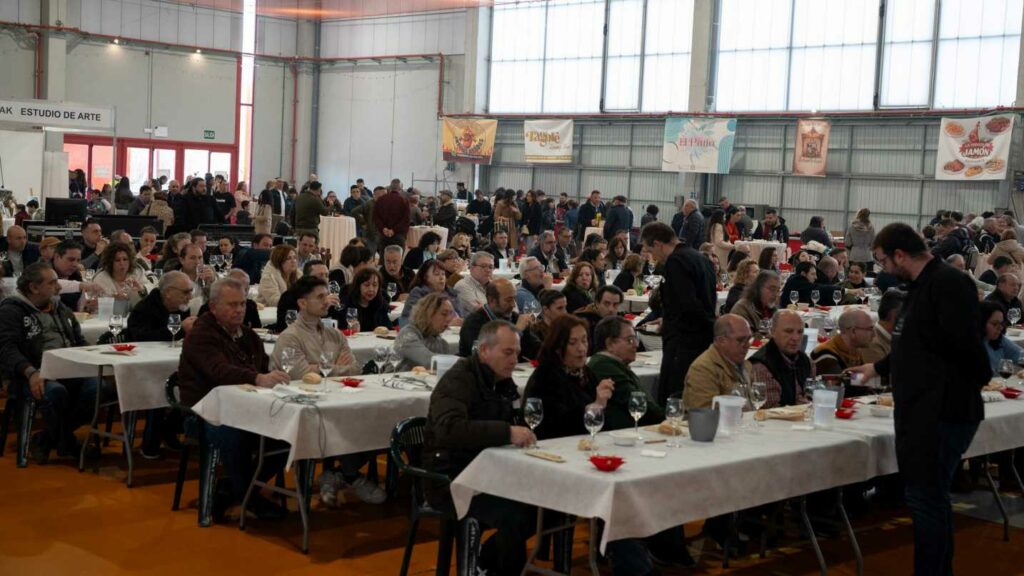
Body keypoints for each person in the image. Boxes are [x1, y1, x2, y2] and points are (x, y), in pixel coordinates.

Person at [846, 223, 989, 576]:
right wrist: (877, 367)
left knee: (926, 500)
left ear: (899, 254)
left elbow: (967, 351)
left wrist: (941, 391)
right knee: (927, 500)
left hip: (941, 411)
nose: (881, 269)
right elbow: (916, 344)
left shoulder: (948, 285)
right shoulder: (920, 287)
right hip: (923, 411)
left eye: (882, 260)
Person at [423, 320, 537, 574]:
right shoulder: (459, 378)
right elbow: (449, 429)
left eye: (517, 353)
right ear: (484, 351)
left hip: (490, 469)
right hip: (450, 475)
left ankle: (486, 561)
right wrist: (506, 432)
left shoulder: (502, 381)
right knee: (514, 514)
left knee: (544, 503)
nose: (514, 360)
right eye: (508, 353)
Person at [178, 277, 291, 519]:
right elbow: (218, 371)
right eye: (231, 305)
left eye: (242, 304)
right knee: (233, 433)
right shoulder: (201, 336)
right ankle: (247, 498)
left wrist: (269, 377)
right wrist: (258, 378)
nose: (239, 309)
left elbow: (263, 366)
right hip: (203, 413)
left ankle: (233, 489)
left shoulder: (249, 336)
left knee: (287, 434)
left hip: (248, 408)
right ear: (213, 306)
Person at [0, 263, 108, 463]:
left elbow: (79, 340)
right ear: (34, 288)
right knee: (55, 392)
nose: (58, 287)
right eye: (52, 282)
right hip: (31, 374)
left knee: (100, 388)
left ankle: (46, 438)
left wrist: (91, 357)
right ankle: (68, 442)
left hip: (68, 369)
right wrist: (31, 372)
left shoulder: (59, 307)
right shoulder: (11, 310)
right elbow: (6, 349)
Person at [640, 222, 717, 405]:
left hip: (683, 344)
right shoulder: (701, 258)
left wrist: (670, 322)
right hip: (703, 339)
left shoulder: (676, 261)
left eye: (650, 250)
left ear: (658, 244)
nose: (653, 257)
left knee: (674, 400)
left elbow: (687, 304)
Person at [127, 271, 196, 459]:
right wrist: (180, 330)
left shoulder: (181, 307)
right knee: (161, 386)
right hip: (142, 368)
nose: (190, 296)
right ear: (168, 293)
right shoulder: (145, 309)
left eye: (191, 291)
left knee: (196, 384)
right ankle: (152, 439)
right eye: (186, 291)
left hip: (171, 362)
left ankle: (169, 429)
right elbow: (141, 339)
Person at [588, 316, 664, 430]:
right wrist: (670, 417)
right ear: (610, 344)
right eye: (630, 340)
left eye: (635, 339)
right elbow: (638, 405)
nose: (636, 345)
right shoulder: (604, 366)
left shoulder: (611, 363)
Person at [682, 314, 753, 410]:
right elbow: (705, 415)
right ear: (721, 341)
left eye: (749, 339)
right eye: (740, 340)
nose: (747, 345)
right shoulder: (703, 369)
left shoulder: (746, 365)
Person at [458, 279, 540, 359]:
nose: (513, 305)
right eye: (508, 300)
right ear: (491, 300)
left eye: (515, 299)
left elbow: (537, 350)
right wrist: (517, 331)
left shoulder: (515, 318)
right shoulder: (474, 322)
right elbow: (486, 356)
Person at [749, 309, 813, 408]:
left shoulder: (807, 361)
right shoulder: (762, 366)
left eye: (800, 332)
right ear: (773, 332)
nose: (796, 337)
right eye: (788, 331)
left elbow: (809, 397)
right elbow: (771, 411)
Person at [394, 293, 455, 371]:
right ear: (428, 314)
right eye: (444, 314)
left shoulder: (441, 343)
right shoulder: (407, 335)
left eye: (451, 314)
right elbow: (427, 359)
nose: (449, 319)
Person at [810, 308, 874, 375]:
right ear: (853, 331)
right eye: (869, 329)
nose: (874, 334)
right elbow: (842, 384)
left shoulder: (855, 351)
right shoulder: (826, 354)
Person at [400, 260, 465, 326]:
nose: (441, 278)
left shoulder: (452, 294)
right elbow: (410, 319)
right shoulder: (418, 293)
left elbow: (461, 316)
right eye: (436, 274)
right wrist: (446, 323)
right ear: (426, 277)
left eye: (443, 274)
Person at [92, 241, 148, 313]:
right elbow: (95, 308)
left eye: (125, 259)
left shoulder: (138, 273)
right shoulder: (100, 278)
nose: (122, 263)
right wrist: (113, 300)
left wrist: (140, 291)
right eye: (117, 260)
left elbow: (148, 301)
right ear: (110, 262)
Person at [340, 268, 394, 332]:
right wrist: (350, 329)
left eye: (374, 285)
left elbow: (389, 329)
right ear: (358, 286)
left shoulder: (381, 304)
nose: (371, 289)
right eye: (366, 285)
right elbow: (340, 329)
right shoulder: (347, 304)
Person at [981, 301, 1022, 371]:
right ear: (981, 323)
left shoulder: (1000, 340)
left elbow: (1021, 355)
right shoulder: (968, 345)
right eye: (994, 324)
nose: (1000, 328)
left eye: (1001, 324)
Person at [374, 179, 411, 253]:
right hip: (398, 235)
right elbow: (406, 220)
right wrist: (394, 230)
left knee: (383, 259)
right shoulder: (404, 200)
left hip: (384, 235)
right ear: (400, 188)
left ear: (390, 187)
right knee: (397, 260)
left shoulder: (380, 200)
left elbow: (375, 217)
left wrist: (384, 228)